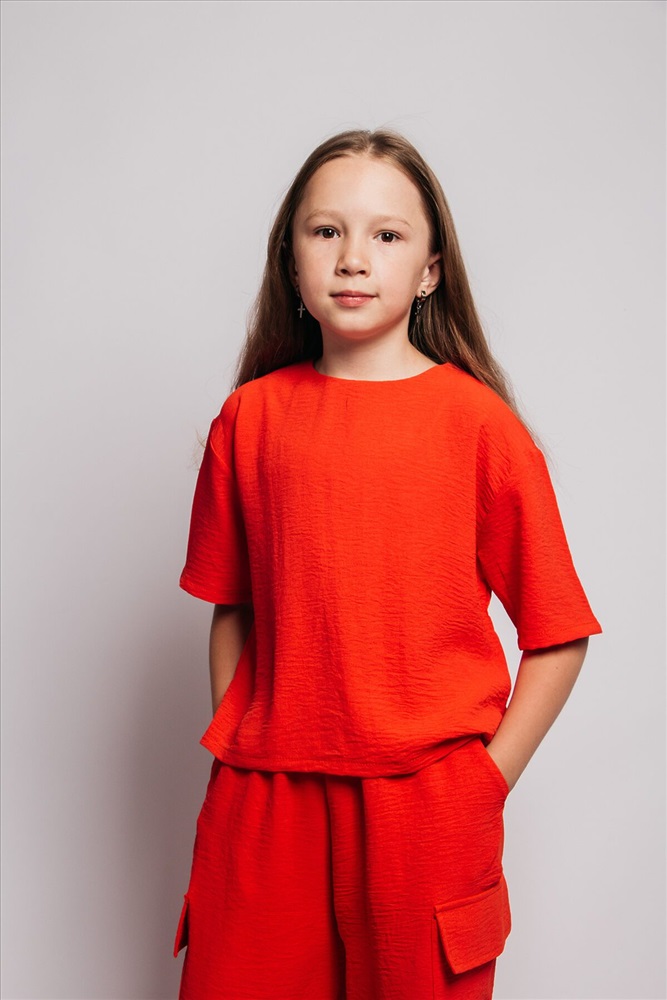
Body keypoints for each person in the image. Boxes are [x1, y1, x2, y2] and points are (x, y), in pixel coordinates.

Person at [172, 129, 602, 1000]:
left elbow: (557, 633)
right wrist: (246, 745)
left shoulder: (479, 428)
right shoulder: (248, 420)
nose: (353, 258)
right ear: (290, 259)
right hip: (266, 804)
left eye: (387, 234)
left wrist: (483, 783)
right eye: (325, 230)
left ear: (430, 270)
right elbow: (233, 605)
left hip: (424, 809)